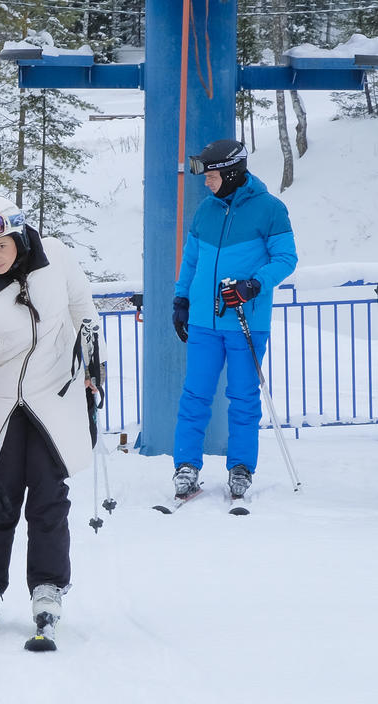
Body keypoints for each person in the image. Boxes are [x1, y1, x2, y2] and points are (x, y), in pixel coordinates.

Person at [0, 194, 103, 648]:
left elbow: (83, 311)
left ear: (19, 235)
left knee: (48, 498)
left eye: (1, 246)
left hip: (52, 392)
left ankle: (48, 586)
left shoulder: (56, 256)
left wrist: (93, 368)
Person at [171, 139, 297, 501]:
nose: (206, 183)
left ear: (231, 173)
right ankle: (186, 467)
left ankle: (240, 468)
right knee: (194, 395)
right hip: (203, 323)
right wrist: (182, 299)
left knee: (242, 397)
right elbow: (191, 260)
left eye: (211, 175)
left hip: (246, 321)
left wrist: (253, 285)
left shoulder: (271, 209)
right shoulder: (206, 211)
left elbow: (286, 258)